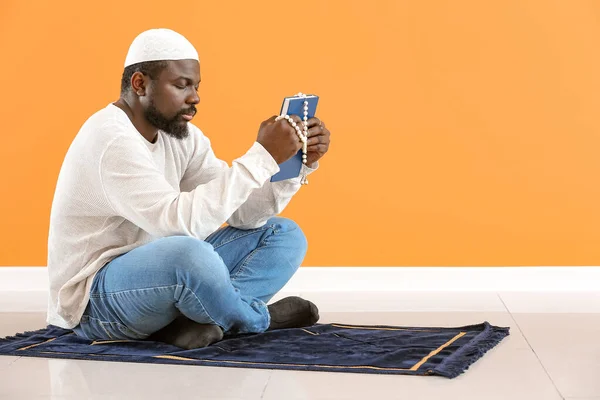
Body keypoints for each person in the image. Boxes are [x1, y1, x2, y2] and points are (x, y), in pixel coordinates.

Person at [46, 28, 331, 349]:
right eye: (181, 85)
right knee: (190, 253)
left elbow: (243, 215)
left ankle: (197, 322)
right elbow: (176, 224)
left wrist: (291, 164)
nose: (195, 97)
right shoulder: (111, 138)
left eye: (196, 86)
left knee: (282, 234)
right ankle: (257, 319)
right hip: (96, 302)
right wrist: (261, 156)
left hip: (162, 277)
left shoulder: (180, 135)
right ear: (140, 84)